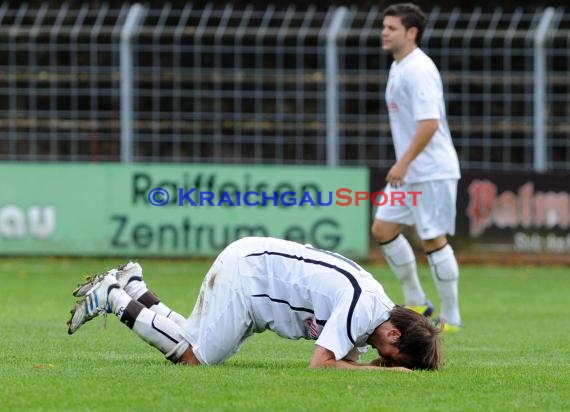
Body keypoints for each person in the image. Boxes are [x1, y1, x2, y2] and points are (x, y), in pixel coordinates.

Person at [67, 236, 442, 371]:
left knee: (189, 335)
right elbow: (321, 365)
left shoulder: (373, 314)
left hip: (252, 268)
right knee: (194, 357)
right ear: (393, 332)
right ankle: (113, 298)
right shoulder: (365, 309)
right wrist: (382, 375)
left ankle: (134, 286)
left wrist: (369, 368)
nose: (385, 360)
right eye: (392, 356)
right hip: (249, 279)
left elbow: (347, 361)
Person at [371, 3, 462, 332]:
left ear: (412, 33)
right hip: (410, 171)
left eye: (392, 28)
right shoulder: (398, 66)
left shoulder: (418, 68)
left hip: (430, 171)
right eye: (384, 26)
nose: (384, 32)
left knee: (433, 239)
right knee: (383, 229)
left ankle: (451, 318)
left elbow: (430, 123)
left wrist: (404, 162)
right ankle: (416, 301)